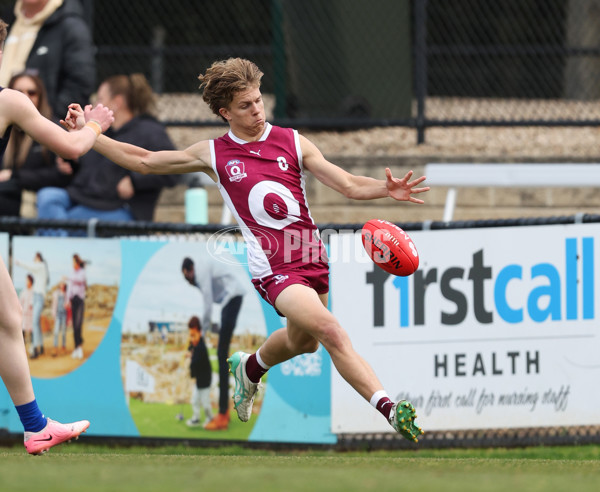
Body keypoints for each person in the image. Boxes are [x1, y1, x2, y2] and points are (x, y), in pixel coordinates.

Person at [64, 57, 429, 442]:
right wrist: (92, 135)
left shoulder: (291, 140)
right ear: (225, 112)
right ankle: (390, 409)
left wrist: (385, 189)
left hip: (312, 258)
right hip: (274, 268)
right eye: (245, 105)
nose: (256, 110)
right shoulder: (214, 154)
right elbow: (145, 162)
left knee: (301, 343)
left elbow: (349, 185)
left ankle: (250, 368)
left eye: (258, 100)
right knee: (331, 331)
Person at [0, 17, 113, 454]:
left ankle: (35, 425)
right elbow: (72, 148)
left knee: (9, 319)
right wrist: (95, 122)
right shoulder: (8, 100)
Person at [37, 73, 178, 229]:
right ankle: (59, 243)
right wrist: (71, 163)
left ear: (117, 102)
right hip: (84, 198)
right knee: (47, 197)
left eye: (100, 99)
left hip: (120, 207)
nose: (95, 104)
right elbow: (90, 170)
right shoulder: (102, 130)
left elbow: (173, 171)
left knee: (68, 220)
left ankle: (57, 244)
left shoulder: (150, 131)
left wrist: (135, 181)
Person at [181, 256, 245, 431]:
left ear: (189, 271)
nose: (189, 282)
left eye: (187, 278)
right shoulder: (201, 272)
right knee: (221, 353)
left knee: (221, 354)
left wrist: (203, 332)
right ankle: (225, 412)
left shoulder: (200, 273)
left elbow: (208, 303)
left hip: (232, 298)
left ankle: (223, 414)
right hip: (231, 299)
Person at [0, 0, 95, 117]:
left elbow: (80, 83)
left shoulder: (71, 25)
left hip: (39, 127)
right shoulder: (7, 19)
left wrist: (50, 121)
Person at [0, 71, 76, 217]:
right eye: (19, 92)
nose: (25, 97)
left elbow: (62, 174)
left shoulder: (51, 127)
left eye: (32, 92)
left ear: (41, 96)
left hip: (35, 197)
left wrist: (14, 176)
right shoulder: (4, 123)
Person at [14, 251, 49, 359]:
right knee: (36, 323)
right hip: (37, 296)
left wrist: (19, 263)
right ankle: (41, 347)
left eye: (35, 257)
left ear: (38, 257)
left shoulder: (41, 266)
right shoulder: (41, 269)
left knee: (34, 322)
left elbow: (30, 266)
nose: (34, 259)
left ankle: (35, 349)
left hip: (39, 297)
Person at [185, 315, 213, 428]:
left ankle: (210, 418)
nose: (192, 338)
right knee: (194, 400)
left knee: (205, 403)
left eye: (194, 335)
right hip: (199, 379)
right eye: (190, 335)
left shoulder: (201, 346)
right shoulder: (194, 343)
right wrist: (189, 352)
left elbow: (196, 361)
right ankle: (196, 418)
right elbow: (190, 348)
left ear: (199, 332)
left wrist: (190, 356)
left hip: (205, 379)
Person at [65, 253, 86, 360]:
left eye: (74, 262)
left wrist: (69, 278)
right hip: (73, 300)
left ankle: (80, 347)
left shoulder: (82, 272)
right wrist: (67, 300)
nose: (73, 264)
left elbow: (80, 280)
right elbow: (69, 288)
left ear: (77, 263)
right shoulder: (72, 273)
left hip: (80, 300)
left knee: (78, 324)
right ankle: (76, 348)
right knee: (74, 326)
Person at [51, 279, 67, 356]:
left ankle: (63, 346)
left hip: (64, 314)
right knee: (56, 332)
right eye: (61, 283)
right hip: (57, 314)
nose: (62, 285)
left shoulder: (66, 294)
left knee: (63, 332)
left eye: (63, 284)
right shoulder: (56, 293)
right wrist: (53, 314)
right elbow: (54, 305)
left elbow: (69, 306)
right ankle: (55, 347)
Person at [18, 273, 34, 344]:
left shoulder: (34, 292)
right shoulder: (23, 292)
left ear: (31, 282)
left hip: (31, 316)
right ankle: (23, 347)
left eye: (28, 281)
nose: (26, 282)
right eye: (26, 281)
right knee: (22, 332)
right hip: (24, 315)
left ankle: (32, 347)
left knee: (32, 332)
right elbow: (20, 303)